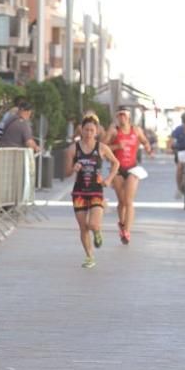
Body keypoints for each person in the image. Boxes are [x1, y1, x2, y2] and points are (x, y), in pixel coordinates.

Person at [65, 114, 120, 269]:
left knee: (93, 224)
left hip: (96, 191)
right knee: (83, 227)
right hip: (79, 192)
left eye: (92, 130)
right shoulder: (73, 149)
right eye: (86, 130)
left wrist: (109, 179)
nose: (89, 133)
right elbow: (66, 172)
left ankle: (97, 232)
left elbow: (116, 163)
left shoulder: (102, 148)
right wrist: (73, 169)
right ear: (81, 131)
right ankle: (89, 256)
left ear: (96, 132)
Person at [102, 108, 152, 244]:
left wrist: (148, 148)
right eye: (119, 115)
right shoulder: (113, 131)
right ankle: (122, 223)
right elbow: (102, 147)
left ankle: (126, 231)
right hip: (117, 169)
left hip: (132, 168)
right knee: (122, 201)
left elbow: (145, 141)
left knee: (129, 201)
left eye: (124, 115)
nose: (122, 118)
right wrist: (117, 146)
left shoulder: (136, 130)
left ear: (129, 117)